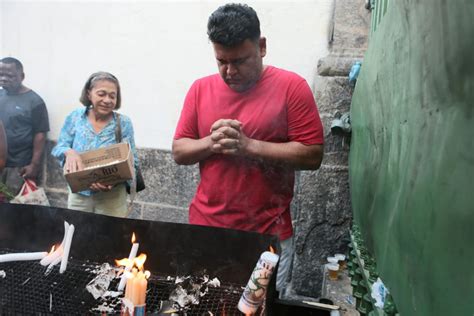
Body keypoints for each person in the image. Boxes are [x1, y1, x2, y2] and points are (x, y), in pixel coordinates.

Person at [172, 3, 324, 294]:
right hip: (206, 226)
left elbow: (312, 154)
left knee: (257, 307)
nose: (230, 71)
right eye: (221, 62)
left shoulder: (292, 87)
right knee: (200, 302)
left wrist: (249, 146)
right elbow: (180, 151)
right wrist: (211, 142)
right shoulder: (200, 89)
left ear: (262, 47)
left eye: (240, 61)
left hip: (267, 234)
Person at [52, 72, 138, 217]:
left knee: (109, 236)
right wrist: (69, 152)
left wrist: (112, 180)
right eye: (101, 94)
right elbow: (59, 147)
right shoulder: (75, 117)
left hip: (112, 196)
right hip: (80, 194)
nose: (107, 100)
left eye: (112, 96)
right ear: (89, 93)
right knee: (77, 232)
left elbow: (132, 160)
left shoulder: (123, 123)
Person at [0, 57, 50, 194]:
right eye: (1, 74)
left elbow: (40, 135)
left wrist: (34, 165)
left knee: (14, 209)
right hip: (0, 163)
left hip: (19, 167)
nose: (3, 78)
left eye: (9, 75)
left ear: (22, 76)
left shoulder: (35, 101)